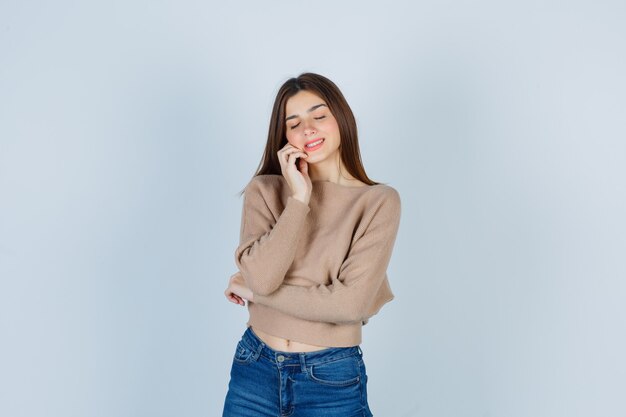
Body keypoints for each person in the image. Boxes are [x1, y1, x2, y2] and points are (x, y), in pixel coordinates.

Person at [222, 72, 401, 417]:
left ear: (341, 119)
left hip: (331, 378)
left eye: (319, 116)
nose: (308, 130)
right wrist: (299, 200)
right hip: (254, 369)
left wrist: (258, 296)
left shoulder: (378, 202)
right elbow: (262, 276)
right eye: (294, 123)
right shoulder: (266, 191)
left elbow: (348, 304)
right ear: (284, 136)